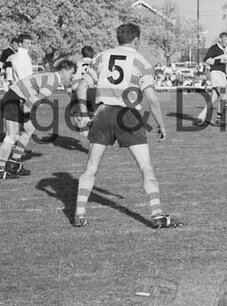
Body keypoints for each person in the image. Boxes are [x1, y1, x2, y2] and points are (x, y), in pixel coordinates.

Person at [72, 22, 181, 229]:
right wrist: (161, 125)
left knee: (91, 168)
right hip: (128, 115)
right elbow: (152, 99)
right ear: (137, 40)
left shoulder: (101, 57)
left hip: (102, 114)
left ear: (118, 38)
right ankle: (157, 215)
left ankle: (79, 213)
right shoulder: (141, 61)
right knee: (146, 167)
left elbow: (81, 88)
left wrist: (84, 115)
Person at [0, 60, 78, 179]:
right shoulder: (53, 80)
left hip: (17, 98)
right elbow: (37, 98)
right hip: (15, 99)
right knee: (12, 136)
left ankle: (14, 163)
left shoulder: (52, 77)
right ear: (64, 71)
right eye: (72, 73)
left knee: (29, 130)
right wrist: (27, 108)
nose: (73, 76)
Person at [195, 32, 227, 126]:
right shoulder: (214, 48)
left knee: (214, 99)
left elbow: (226, 61)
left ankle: (200, 117)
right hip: (216, 74)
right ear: (220, 39)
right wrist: (219, 60)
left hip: (222, 75)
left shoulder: (225, 49)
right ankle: (219, 118)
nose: (226, 42)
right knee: (224, 95)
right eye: (224, 40)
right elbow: (206, 60)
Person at [67, 45, 97, 139]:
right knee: (93, 113)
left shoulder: (77, 63)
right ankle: (91, 126)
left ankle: (84, 126)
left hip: (77, 90)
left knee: (77, 112)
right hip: (91, 89)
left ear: (82, 54)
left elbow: (72, 76)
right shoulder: (95, 62)